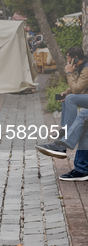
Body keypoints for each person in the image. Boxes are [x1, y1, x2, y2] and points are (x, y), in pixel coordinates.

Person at [36, 46, 88, 180]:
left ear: (75, 58)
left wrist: (69, 73)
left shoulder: (86, 67)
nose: (67, 61)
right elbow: (78, 86)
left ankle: (63, 139)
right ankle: (81, 169)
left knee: (75, 105)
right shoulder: (83, 67)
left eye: (68, 58)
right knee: (68, 100)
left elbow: (77, 89)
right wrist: (66, 92)